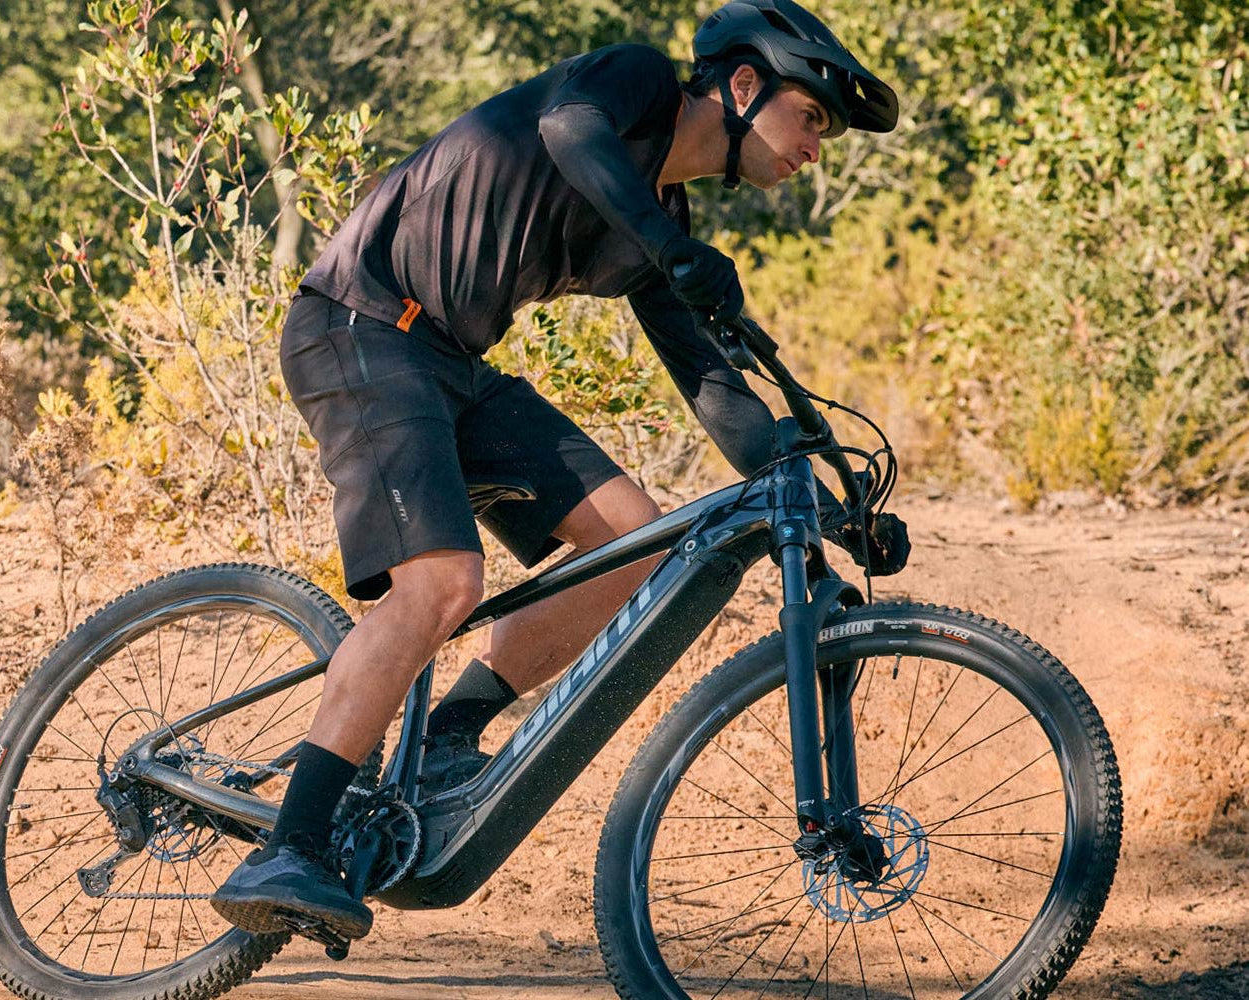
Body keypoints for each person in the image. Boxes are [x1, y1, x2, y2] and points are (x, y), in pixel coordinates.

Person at [210, 0, 911, 940]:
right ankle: (289, 845)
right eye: (813, 115)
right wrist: (674, 253)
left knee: (639, 547)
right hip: (362, 326)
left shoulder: (664, 215)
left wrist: (828, 509)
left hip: (453, 364)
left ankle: (450, 737)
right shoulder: (632, 85)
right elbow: (564, 128)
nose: (816, 144)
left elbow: (715, 391)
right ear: (743, 86)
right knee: (445, 582)